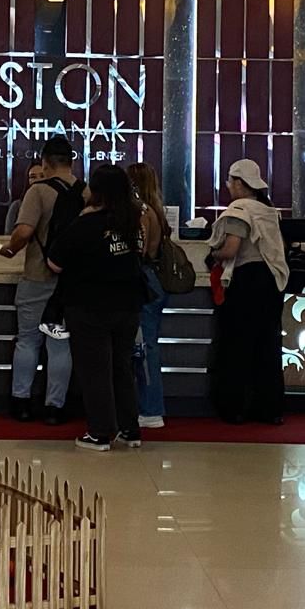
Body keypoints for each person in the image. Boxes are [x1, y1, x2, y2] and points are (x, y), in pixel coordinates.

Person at [48, 164, 148, 451]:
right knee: (122, 367)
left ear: (96, 191)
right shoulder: (133, 223)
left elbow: (54, 263)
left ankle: (100, 432)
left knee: (95, 370)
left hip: (89, 305)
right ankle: (130, 429)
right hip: (128, 305)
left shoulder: (85, 224)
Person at [0, 136, 81, 425]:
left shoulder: (38, 191)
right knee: (60, 344)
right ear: (71, 162)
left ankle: (21, 402)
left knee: (28, 341)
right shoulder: (86, 192)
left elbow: (23, 232)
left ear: (45, 163)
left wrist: (9, 250)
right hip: (71, 282)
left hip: (36, 276)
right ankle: (55, 407)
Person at [206, 158, 289, 425]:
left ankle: (235, 407)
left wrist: (214, 255)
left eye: (230, 182)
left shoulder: (239, 210)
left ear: (240, 183)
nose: (228, 186)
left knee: (237, 346)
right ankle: (269, 409)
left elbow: (231, 249)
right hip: (271, 284)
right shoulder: (268, 211)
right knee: (267, 346)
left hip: (245, 283)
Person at [127, 162, 169, 429]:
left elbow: (138, 250)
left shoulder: (141, 212)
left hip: (142, 282)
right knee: (147, 345)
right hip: (155, 281)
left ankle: (151, 409)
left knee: (143, 348)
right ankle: (149, 407)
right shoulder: (157, 211)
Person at [4, 162, 45, 234]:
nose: (38, 180)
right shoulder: (17, 206)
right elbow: (8, 235)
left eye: (42, 176)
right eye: (33, 177)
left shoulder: (56, 203)